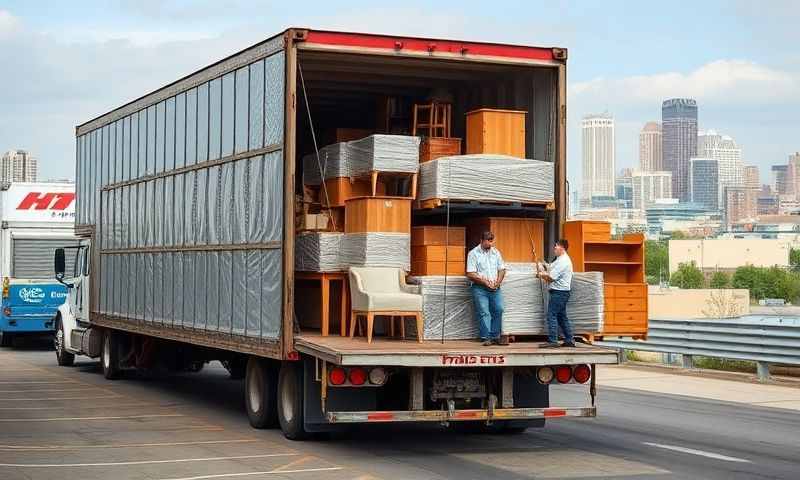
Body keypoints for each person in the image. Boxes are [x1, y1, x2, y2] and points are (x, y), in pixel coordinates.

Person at [466, 231, 508, 346]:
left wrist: (498, 282)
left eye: (491, 241)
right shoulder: (473, 254)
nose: (490, 244)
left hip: (495, 287)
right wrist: (485, 282)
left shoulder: (495, 252)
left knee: (499, 309)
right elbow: (470, 273)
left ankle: (495, 336)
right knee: (484, 312)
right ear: (481, 241)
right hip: (480, 288)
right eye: (487, 242)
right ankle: (486, 337)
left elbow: (502, 269)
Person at [536, 239, 575, 348]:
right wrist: (542, 264)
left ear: (562, 248)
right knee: (562, 317)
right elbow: (550, 267)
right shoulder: (560, 259)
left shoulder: (564, 262)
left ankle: (553, 341)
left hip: (559, 293)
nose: (554, 248)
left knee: (551, 315)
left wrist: (540, 274)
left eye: (556, 246)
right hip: (561, 293)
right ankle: (569, 340)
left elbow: (551, 278)